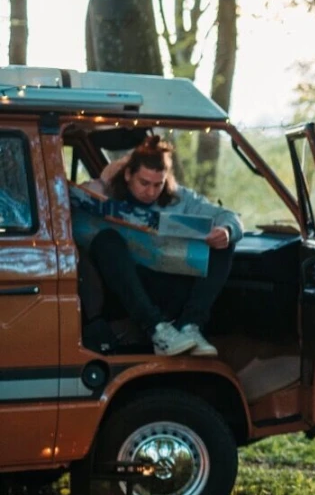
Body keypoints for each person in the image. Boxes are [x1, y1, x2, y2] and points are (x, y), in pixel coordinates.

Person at [82, 134, 242, 357]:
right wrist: (104, 179)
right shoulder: (107, 193)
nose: (150, 191)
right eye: (144, 183)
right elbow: (69, 201)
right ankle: (157, 330)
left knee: (224, 243)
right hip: (126, 286)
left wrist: (226, 231)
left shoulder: (179, 198)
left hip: (168, 282)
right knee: (106, 240)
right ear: (128, 175)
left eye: (158, 184)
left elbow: (229, 216)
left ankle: (190, 326)